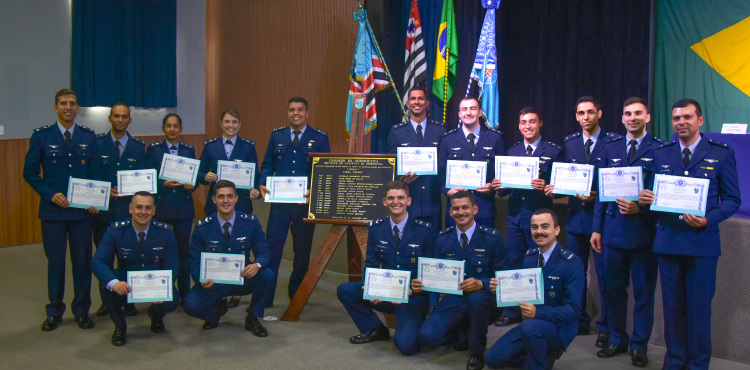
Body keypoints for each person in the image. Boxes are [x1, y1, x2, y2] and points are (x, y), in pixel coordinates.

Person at [638, 99, 740, 370]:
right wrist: (645, 197)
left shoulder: (721, 153)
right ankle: (674, 362)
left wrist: (708, 218)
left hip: (702, 244)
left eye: (687, 117)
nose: (681, 122)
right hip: (668, 241)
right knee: (672, 310)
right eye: (676, 118)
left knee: (698, 311)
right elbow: (652, 192)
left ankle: (697, 365)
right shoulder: (662, 153)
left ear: (700, 120)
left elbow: (732, 200)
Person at [590, 97, 663, 367]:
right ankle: (617, 338)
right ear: (621, 119)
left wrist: (641, 210)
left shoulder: (660, 150)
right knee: (613, 290)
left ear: (648, 117)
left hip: (644, 233)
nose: (632, 118)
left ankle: (639, 345)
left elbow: (662, 196)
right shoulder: (610, 148)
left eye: (637, 113)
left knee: (643, 294)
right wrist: (596, 229)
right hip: (612, 232)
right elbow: (601, 195)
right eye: (627, 113)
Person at [23, 89, 101, 331]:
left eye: (73, 103)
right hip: (53, 214)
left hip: (81, 214)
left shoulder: (89, 138)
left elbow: (95, 174)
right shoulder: (41, 137)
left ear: (77, 108)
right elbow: (30, 172)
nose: (68, 107)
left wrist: (94, 198)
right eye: (63, 103)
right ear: (55, 107)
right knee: (55, 262)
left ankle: (81, 311)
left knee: (82, 262)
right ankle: (54, 311)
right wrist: (49, 193)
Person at [547, 96, 620, 346]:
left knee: (605, 277)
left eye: (590, 112)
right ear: (576, 116)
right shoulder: (570, 143)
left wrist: (597, 194)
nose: (585, 117)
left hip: (603, 221)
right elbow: (566, 179)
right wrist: (556, 189)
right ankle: (578, 320)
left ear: (599, 113)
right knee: (575, 274)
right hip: (576, 219)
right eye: (581, 113)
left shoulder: (614, 142)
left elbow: (616, 180)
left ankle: (607, 328)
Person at [337, 181, 435, 355]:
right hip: (386, 292)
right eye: (391, 198)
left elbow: (430, 272)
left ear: (409, 201)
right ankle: (375, 329)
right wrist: (372, 288)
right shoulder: (376, 229)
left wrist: (411, 291)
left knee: (406, 346)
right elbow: (372, 264)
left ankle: (418, 326)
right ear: (384, 201)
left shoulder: (425, 231)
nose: (395, 202)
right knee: (346, 290)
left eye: (400, 198)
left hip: (412, 297)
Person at [418, 191, 509, 370]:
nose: (461, 212)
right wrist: (432, 305)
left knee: (477, 300)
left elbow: (503, 275)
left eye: (465, 208)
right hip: (455, 299)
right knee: (428, 337)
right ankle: (462, 332)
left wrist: (482, 283)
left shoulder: (492, 237)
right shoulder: (443, 238)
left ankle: (476, 352)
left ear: (475, 209)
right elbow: (434, 275)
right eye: (456, 209)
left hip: (484, 299)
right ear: (450, 212)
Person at [485, 209, 584, 370]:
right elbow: (525, 295)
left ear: (557, 230)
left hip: (559, 327)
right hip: (532, 324)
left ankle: (541, 361)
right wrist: (502, 292)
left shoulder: (572, 263)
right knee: (492, 359)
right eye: (534, 227)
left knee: (528, 328)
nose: (539, 232)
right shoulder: (530, 257)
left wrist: (538, 313)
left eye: (545, 226)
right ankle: (540, 356)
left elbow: (573, 310)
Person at [494, 107, 564, 327]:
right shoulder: (512, 152)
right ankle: (512, 311)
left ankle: (542, 311)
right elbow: (506, 190)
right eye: (523, 122)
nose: (528, 126)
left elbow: (561, 188)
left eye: (532, 122)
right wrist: (499, 187)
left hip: (540, 218)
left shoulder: (553, 151)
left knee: (540, 265)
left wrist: (547, 187)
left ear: (540, 123)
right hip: (515, 217)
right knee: (514, 263)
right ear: (519, 126)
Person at [259, 97, 330, 307]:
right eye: (291, 110)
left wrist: (315, 189)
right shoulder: (277, 135)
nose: (295, 113)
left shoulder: (319, 137)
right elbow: (266, 164)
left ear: (307, 113)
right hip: (279, 205)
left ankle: (296, 297)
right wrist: (263, 182)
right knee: (272, 250)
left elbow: (324, 169)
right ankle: (267, 297)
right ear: (287, 113)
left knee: (301, 252)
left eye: (300, 110)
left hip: (304, 205)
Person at [183, 180, 275, 336]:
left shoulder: (250, 223)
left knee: (267, 274)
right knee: (191, 305)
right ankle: (216, 311)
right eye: (221, 197)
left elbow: (264, 252)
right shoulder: (202, 227)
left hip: (242, 278)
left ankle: (253, 317)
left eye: (230, 196)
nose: (226, 201)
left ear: (236, 199)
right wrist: (200, 278)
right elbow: (194, 260)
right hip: (214, 282)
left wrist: (257, 265)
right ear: (214, 200)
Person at [91, 191, 180, 346]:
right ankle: (120, 326)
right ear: (130, 208)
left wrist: (163, 288)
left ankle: (156, 316)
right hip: (126, 280)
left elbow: (172, 264)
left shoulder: (165, 231)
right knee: (106, 286)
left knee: (172, 298)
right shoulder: (115, 230)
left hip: (154, 281)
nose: (143, 212)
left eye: (148, 208)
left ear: (154, 210)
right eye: (139, 207)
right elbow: (97, 261)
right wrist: (114, 283)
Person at [198, 108, 261, 308]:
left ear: (239, 124)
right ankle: (218, 287)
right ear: (221, 123)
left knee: (239, 247)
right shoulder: (210, 147)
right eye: (227, 121)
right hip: (215, 205)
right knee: (214, 246)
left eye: (234, 122)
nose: (230, 125)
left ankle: (237, 290)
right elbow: (199, 172)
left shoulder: (248, 147)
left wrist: (255, 190)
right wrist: (204, 177)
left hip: (241, 204)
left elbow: (255, 176)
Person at [93, 103, 147, 317]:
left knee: (129, 259)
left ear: (129, 120)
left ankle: (129, 299)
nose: (120, 120)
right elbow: (93, 174)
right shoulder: (98, 144)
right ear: (109, 118)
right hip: (104, 213)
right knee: (104, 259)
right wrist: (105, 190)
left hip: (129, 214)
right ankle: (107, 300)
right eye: (116, 116)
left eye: (124, 116)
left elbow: (143, 179)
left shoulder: (137, 146)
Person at [146, 113, 197, 304]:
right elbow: (148, 178)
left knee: (184, 253)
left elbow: (194, 177)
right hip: (161, 207)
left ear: (181, 129)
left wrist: (192, 185)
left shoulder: (188, 150)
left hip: (183, 209)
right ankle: (162, 291)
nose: (172, 129)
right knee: (161, 252)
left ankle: (184, 293)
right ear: (163, 129)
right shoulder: (153, 150)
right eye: (168, 126)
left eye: (176, 126)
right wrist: (162, 185)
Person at [438, 97, 506, 229]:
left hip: (484, 208)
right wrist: (447, 190)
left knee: (485, 249)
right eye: (464, 109)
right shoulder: (448, 139)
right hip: (456, 209)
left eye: (473, 108)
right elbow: (440, 174)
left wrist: (493, 186)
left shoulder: (495, 138)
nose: (468, 113)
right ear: (459, 114)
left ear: (480, 112)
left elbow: (502, 174)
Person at [386, 88, 446, 237]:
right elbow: (391, 167)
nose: (416, 102)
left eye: (420, 99)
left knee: (431, 249)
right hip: (407, 202)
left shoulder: (440, 130)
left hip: (432, 201)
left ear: (427, 103)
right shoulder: (396, 132)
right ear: (407, 104)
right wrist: (400, 181)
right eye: (413, 99)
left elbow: (444, 164)